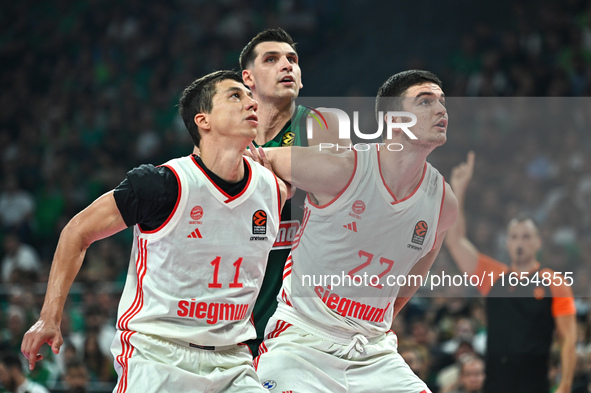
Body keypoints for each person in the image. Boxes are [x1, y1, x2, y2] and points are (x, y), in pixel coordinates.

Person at [21, 70, 289, 393]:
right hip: (158, 356)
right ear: (203, 120)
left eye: (250, 95)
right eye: (235, 95)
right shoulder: (162, 184)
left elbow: (343, 169)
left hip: (233, 362)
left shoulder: (274, 188)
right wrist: (49, 316)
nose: (251, 101)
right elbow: (77, 231)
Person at [251, 70, 458, 392]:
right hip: (303, 342)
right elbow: (258, 158)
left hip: (373, 352)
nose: (441, 110)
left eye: (442, 102)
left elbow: (408, 282)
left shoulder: (444, 203)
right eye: (425, 101)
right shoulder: (342, 169)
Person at [232, 27, 345, 356]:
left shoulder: (323, 124)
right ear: (248, 78)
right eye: (272, 59)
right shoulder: (230, 137)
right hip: (241, 310)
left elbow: (336, 182)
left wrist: (264, 167)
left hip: (307, 316)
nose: (287, 65)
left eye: (292, 60)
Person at [444, 151, 576, 393]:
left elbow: (568, 338)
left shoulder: (553, 281)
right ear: (507, 242)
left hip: (534, 378)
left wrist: (565, 383)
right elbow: (455, 242)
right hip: (496, 377)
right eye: (515, 236)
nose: (520, 242)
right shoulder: (493, 276)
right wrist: (459, 190)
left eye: (527, 236)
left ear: (538, 242)